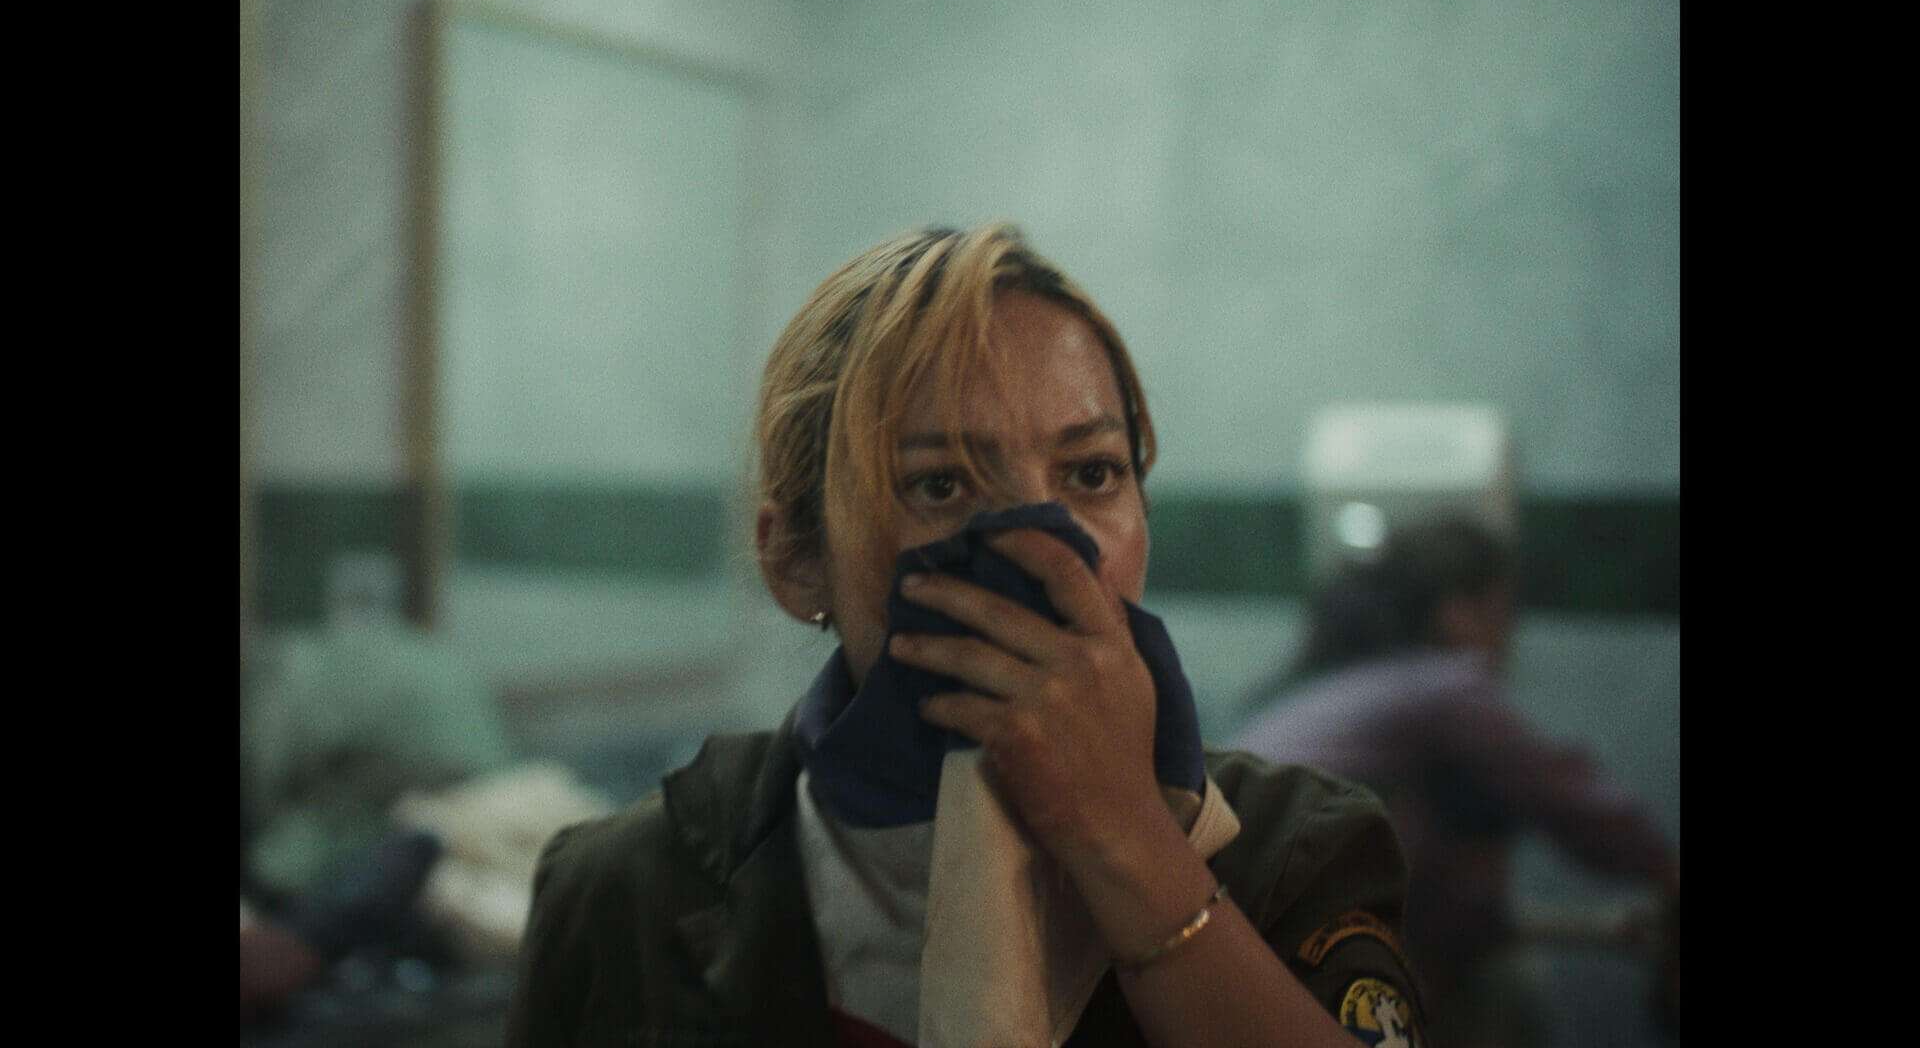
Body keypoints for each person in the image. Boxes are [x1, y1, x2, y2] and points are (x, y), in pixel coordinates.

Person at [506, 223, 1430, 1047]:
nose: (1045, 543)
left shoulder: (1299, 851)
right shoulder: (625, 890)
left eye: (1092, 473)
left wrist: (1124, 836)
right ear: (797, 561)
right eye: (940, 484)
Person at [1232, 518, 1680, 1048]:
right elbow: (1570, 801)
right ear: (1459, 613)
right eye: (1502, 613)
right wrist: (1665, 868)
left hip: (1245, 951)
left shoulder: (1333, 690)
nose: (1509, 638)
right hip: (1307, 966)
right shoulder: (1442, 688)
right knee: (1501, 993)